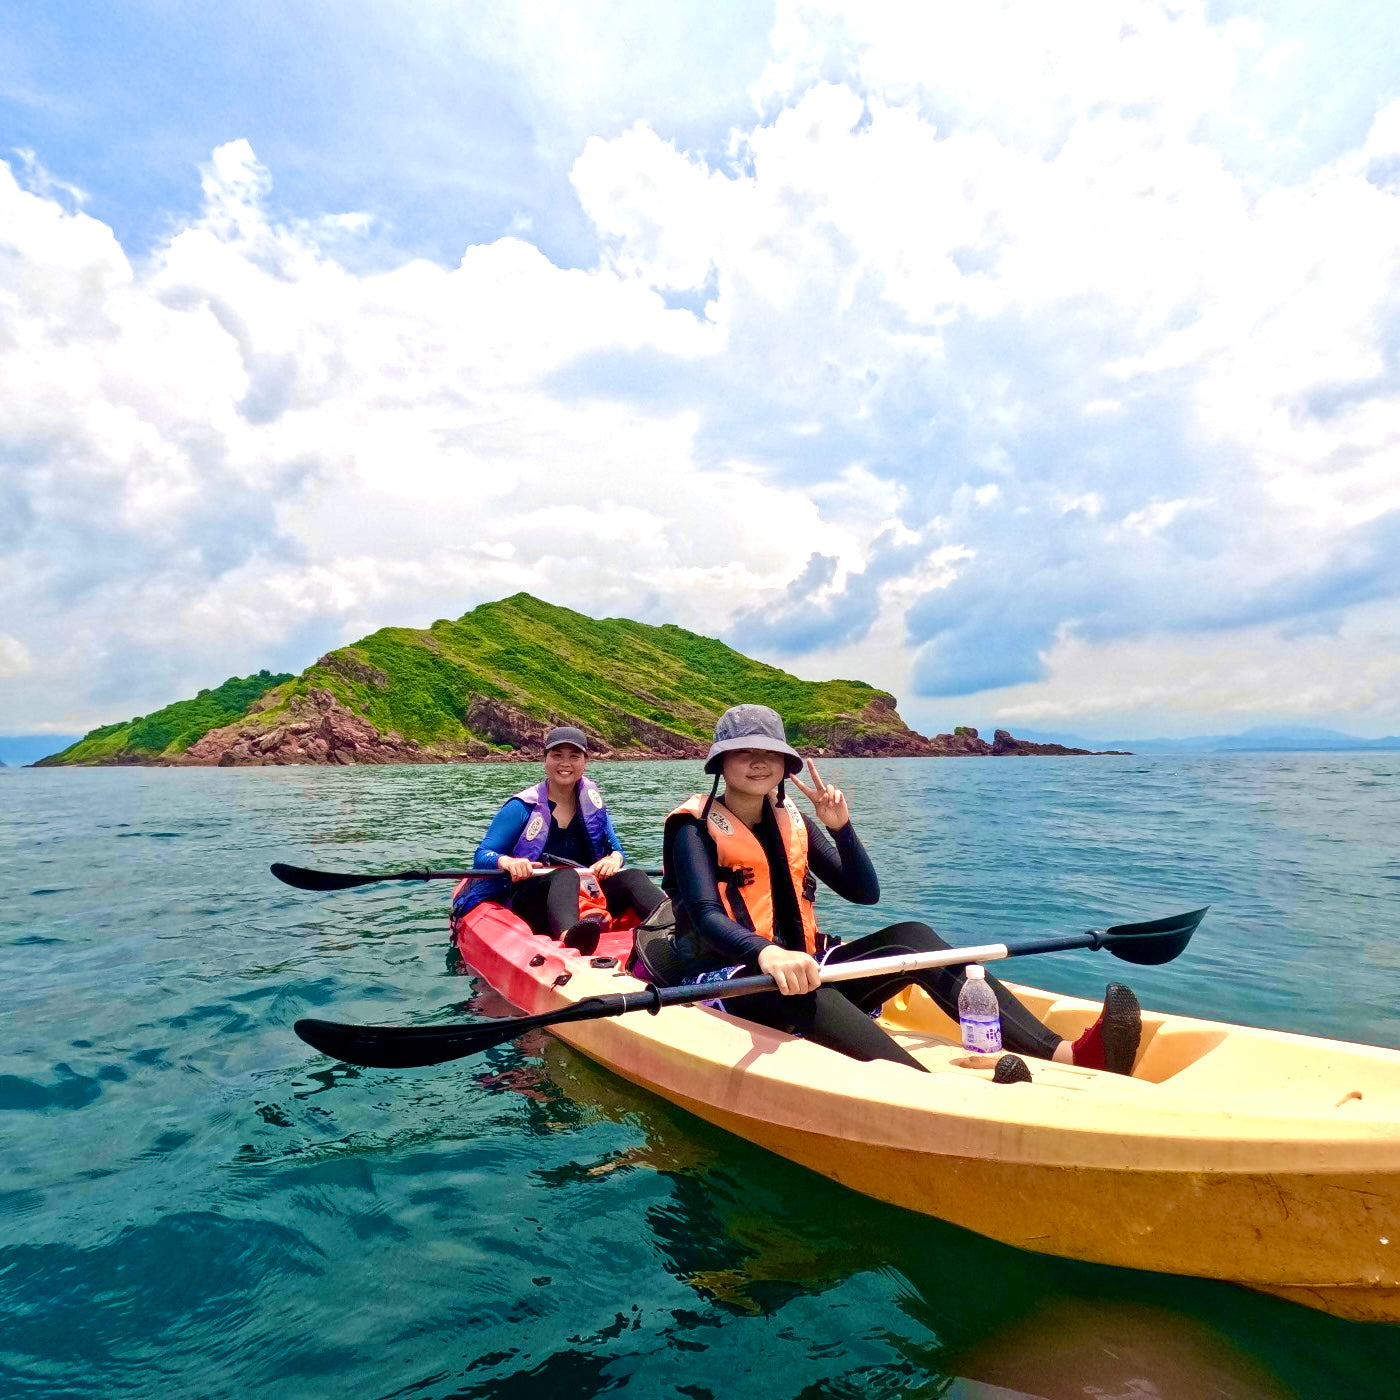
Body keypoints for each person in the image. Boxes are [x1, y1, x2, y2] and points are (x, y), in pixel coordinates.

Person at [647, 704, 1141, 1077]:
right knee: (800, 988)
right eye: (744, 753)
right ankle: (919, 1085)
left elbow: (865, 893)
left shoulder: (791, 818)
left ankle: (1068, 1054)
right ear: (721, 763)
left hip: (803, 964)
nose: (759, 764)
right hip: (727, 978)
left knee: (913, 935)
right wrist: (767, 954)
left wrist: (841, 828)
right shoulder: (692, 828)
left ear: (785, 764)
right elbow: (708, 915)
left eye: (770, 754)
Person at [456, 726, 664, 951]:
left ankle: (674, 926)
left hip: (585, 893)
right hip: (533, 899)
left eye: (574, 756)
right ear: (545, 760)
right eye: (557, 755)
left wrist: (614, 860)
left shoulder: (593, 804)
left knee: (633, 875)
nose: (565, 763)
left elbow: (617, 851)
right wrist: (508, 862)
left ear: (585, 762)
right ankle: (572, 938)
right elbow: (483, 855)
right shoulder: (521, 806)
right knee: (565, 876)